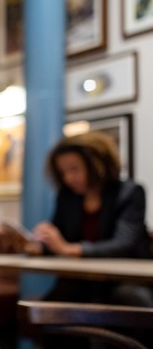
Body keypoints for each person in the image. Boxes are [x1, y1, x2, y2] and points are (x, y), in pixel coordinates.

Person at [25, 131, 153, 347]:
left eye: (74, 169)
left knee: (129, 301)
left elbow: (123, 244)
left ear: (98, 164)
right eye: (63, 172)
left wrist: (67, 248)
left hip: (126, 279)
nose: (68, 178)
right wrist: (40, 245)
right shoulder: (67, 196)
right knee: (51, 309)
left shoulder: (130, 192)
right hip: (82, 279)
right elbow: (61, 239)